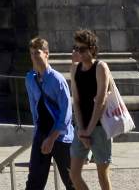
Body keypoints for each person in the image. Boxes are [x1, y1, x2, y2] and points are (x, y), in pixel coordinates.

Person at [24, 36, 75, 190]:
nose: (34, 57)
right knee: (34, 181)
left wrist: (52, 138)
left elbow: (66, 113)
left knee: (71, 181)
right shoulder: (30, 79)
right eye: (31, 53)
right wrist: (37, 134)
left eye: (37, 53)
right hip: (41, 134)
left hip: (61, 137)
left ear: (46, 54)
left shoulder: (57, 80)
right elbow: (34, 108)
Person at [69, 30, 112, 190]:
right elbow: (76, 101)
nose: (77, 52)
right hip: (81, 127)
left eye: (81, 49)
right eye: (76, 48)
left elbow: (100, 101)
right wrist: (81, 130)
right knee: (74, 174)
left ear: (92, 49)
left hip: (100, 127)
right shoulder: (75, 69)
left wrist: (89, 131)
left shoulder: (100, 67)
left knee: (102, 175)